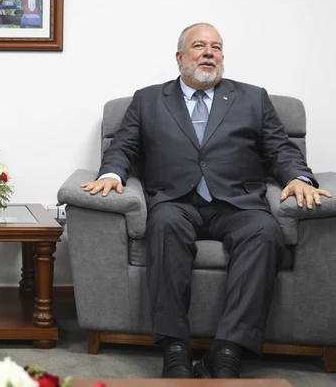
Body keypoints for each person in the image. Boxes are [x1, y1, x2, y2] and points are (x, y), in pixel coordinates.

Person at [80, 23, 331, 379]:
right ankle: (175, 349)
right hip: (175, 202)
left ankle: (227, 351)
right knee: (163, 226)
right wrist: (110, 175)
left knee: (265, 232)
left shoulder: (253, 98)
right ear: (180, 56)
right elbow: (124, 146)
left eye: (216, 47)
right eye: (199, 46)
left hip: (237, 204)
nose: (209, 53)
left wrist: (297, 177)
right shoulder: (148, 100)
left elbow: (279, 148)